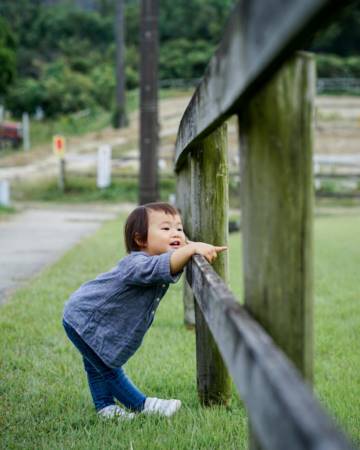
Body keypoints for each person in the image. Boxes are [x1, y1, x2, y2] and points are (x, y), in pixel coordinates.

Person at [62, 202, 227, 420]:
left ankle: (105, 408)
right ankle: (144, 405)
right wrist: (191, 248)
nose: (176, 233)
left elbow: (174, 257)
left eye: (179, 228)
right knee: (108, 367)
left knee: (96, 366)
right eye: (166, 228)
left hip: (87, 318)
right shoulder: (136, 263)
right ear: (141, 240)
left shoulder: (158, 257)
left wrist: (191, 246)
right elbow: (165, 265)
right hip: (82, 318)